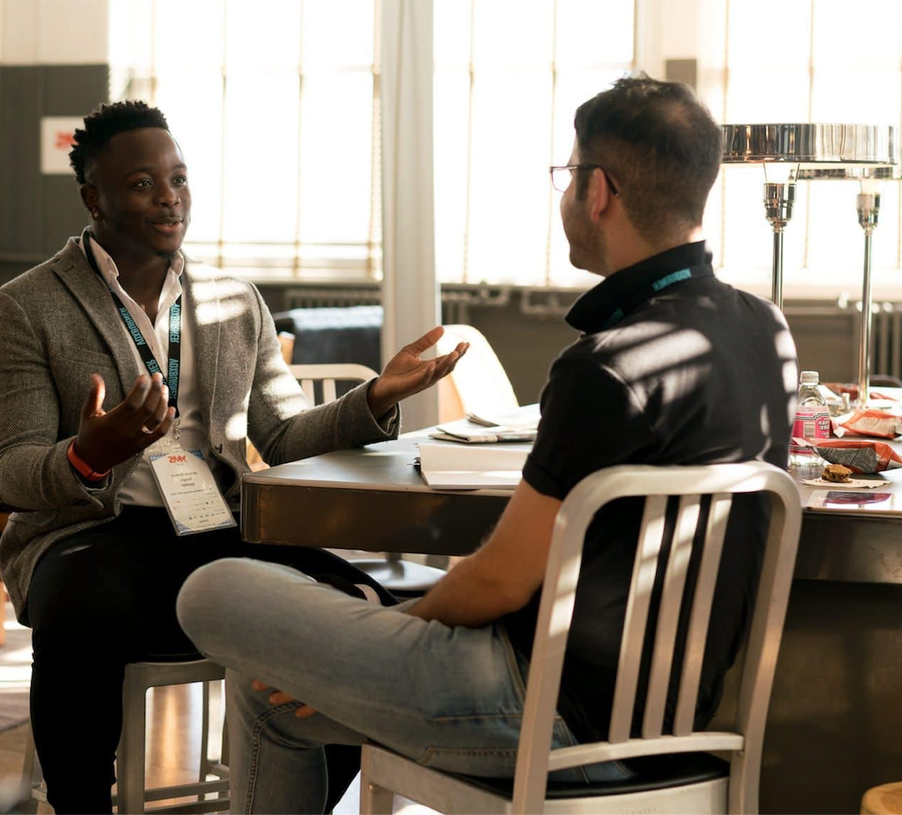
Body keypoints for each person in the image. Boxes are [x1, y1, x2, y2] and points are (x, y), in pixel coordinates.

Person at [175, 75, 799, 813]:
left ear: (600, 190)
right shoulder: (764, 329)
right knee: (268, 692)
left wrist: (392, 631)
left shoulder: (603, 367)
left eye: (568, 174)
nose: (566, 195)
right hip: (674, 722)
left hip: (541, 713)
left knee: (213, 588)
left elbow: (500, 581)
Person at [0, 100, 467, 814]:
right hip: (90, 532)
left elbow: (286, 436)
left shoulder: (235, 301)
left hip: (217, 528)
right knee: (81, 607)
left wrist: (373, 397)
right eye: (143, 183)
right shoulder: (26, 306)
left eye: (178, 179)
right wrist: (89, 454)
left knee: (352, 608)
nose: (169, 197)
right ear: (93, 198)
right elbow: (12, 471)